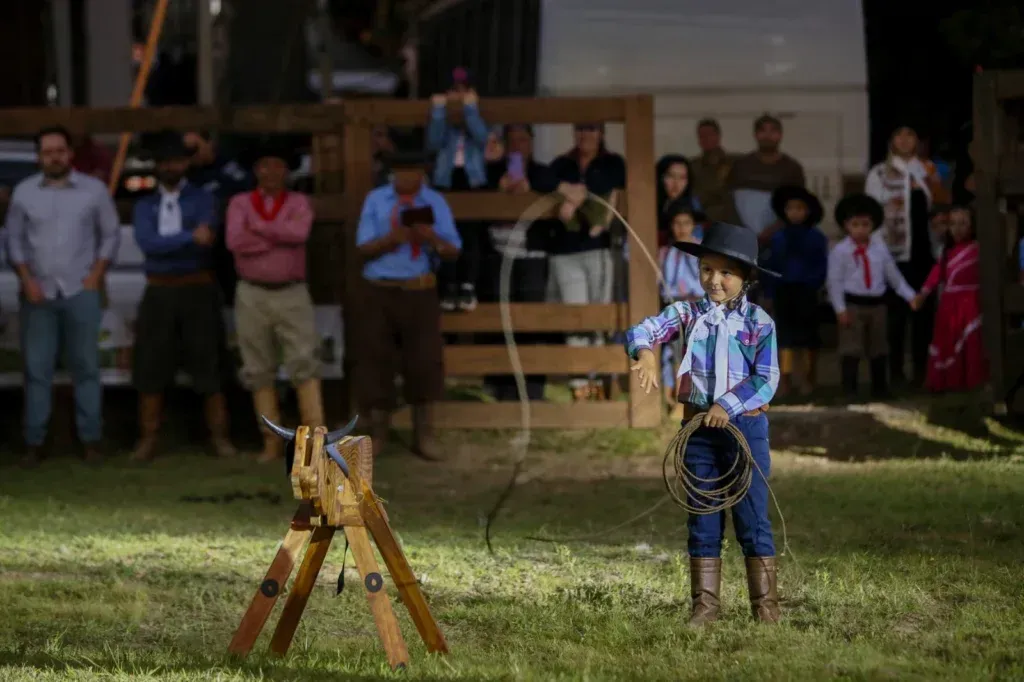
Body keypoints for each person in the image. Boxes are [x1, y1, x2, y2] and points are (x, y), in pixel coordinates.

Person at [625, 222, 782, 627]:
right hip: (696, 431)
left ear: (745, 277)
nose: (715, 280)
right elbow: (645, 328)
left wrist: (726, 406)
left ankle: (765, 608)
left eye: (726, 272)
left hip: (745, 430)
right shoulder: (688, 313)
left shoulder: (759, 323)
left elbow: (766, 379)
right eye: (708, 270)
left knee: (752, 517)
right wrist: (644, 352)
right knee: (702, 513)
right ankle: (705, 607)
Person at [5, 125, 121, 466]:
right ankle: (35, 443)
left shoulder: (94, 191)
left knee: (86, 368)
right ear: (39, 156)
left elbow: (110, 235)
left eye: (59, 150)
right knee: (36, 370)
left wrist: (95, 277)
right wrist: (26, 280)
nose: (53, 157)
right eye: (47, 152)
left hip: (80, 290)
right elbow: (14, 240)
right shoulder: (24, 193)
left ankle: (91, 441)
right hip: (37, 292)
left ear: (69, 154)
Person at [130, 132, 236, 461]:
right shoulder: (145, 204)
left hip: (197, 287)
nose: (169, 167)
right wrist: (188, 236)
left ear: (186, 164)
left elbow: (208, 238)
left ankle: (220, 438)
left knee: (209, 363)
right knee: (150, 365)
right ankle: (149, 438)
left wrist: (173, 240)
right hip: (159, 289)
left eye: (175, 161)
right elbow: (148, 244)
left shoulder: (204, 198)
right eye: (163, 162)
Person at [355, 151, 461, 460]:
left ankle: (424, 435)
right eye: (401, 170)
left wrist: (429, 237)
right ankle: (378, 435)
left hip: (420, 290)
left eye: (413, 170)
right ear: (392, 173)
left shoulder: (435, 202)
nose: (407, 177)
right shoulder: (375, 200)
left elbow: (453, 249)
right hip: (380, 289)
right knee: (375, 359)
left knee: (425, 361)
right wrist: (394, 238)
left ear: (422, 173)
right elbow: (362, 247)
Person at [226, 140, 323, 462]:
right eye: (264, 165)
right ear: (256, 171)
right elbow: (235, 241)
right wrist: (277, 234)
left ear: (287, 170)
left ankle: (315, 441)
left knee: (304, 363)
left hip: (292, 292)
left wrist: (260, 229)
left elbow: (300, 234)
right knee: (258, 368)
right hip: (251, 292)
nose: (270, 172)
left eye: (277, 165)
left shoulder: (298, 201)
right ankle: (271, 442)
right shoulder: (240, 203)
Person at [482, 123, 561, 401]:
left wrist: (530, 189)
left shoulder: (542, 173)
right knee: (499, 322)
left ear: (531, 143)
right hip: (497, 256)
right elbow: (476, 192)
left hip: (531, 258)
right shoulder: (491, 171)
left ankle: (533, 386)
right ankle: (500, 386)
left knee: (531, 323)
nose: (518, 145)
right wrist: (497, 187)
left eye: (523, 140)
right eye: (512, 140)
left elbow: (555, 193)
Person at [549, 123, 627, 401]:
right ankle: (579, 383)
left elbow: (615, 179)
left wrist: (578, 192)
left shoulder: (612, 162)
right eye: (582, 129)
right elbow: (541, 178)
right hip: (566, 250)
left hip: (600, 248)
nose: (586, 134)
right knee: (576, 317)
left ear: (601, 133)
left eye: (592, 129)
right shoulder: (562, 163)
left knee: (600, 316)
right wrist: (563, 188)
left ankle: (604, 380)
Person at [827, 194, 920, 399]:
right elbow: (835, 282)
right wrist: (840, 309)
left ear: (873, 225)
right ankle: (850, 389)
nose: (860, 229)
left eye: (865, 224)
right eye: (855, 224)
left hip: (878, 305)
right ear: (846, 226)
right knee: (851, 348)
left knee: (879, 347)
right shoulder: (841, 251)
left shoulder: (880, 250)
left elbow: (893, 276)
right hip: (853, 304)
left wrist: (910, 295)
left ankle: (880, 388)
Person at [865, 124, 935, 387]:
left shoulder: (926, 169)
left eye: (911, 134)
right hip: (893, 253)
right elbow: (871, 213)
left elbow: (937, 205)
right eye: (900, 134)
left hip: (923, 252)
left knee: (923, 314)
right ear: (892, 140)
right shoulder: (880, 172)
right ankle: (894, 371)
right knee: (895, 316)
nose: (905, 140)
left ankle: (921, 370)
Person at [426, 66, 489, 312]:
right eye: (454, 90)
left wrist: (471, 109)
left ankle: (467, 284)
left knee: (470, 233)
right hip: (446, 178)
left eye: (464, 90)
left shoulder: (480, 112)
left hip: (472, 178)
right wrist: (441, 110)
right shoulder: (441, 112)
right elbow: (433, 141)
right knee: (445, 231)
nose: (459, 95)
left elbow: (483, 138)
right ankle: (449, 284)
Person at [761, 186, 828, 396]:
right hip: (784, 291)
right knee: (785, 337)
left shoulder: (816, 237)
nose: (795, 213)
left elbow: (822, 265)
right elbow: (770, 268)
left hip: (807, 292)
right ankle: (785, 380)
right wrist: (769, 293)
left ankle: (809, 378)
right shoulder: (778, 238)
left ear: (808, 211)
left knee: (808, 337)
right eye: (790, 208)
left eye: (800, 208)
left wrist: (815, 284)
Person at [911, 206, 986, 392]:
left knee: (971, 341)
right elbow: (937, 274)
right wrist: (922, 294)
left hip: (971, 303)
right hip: (949, 303)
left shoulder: (978, 249)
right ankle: (950, 382)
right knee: (949, 341)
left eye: (963, 224)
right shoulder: (946, 252)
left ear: (972, 226)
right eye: (953, 224)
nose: (958, 228)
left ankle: (972, 381)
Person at [658, 204, 704, 418]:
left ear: (693, 226)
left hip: (696, 306)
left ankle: (688, 399)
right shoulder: (666, 252)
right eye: (677, 223)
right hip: (673, 306)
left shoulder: (700, 251)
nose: (682, 228)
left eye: (686, 223)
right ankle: (672, 398)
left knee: (690, 353)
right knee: (674, 353)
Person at [728, 114, 806, 239]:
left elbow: (799, 205)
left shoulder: (792, 168)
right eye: (762, 130)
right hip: (744, 235)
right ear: (755, 134)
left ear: (780, 135)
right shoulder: (741, 165)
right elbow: (730, 201)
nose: (767, 135)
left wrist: (773, 230)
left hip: (782, 236)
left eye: (772, 131)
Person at [690, 118, 738, 224]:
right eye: (701, 136)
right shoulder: (694, 166)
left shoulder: (733, 162)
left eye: (709, 134)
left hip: (730, 220)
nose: (705, 139)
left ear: (718, 136)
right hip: (702, 220)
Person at [656, 154, 703, 247]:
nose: (676, 183)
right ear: (661, 178)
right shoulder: (651, 203)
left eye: (682, 177)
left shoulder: (693, 205)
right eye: (671, 176)